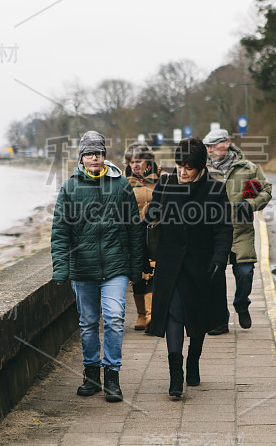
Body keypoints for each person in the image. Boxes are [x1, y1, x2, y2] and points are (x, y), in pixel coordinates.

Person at [51, 131, 143, 403]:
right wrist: (60, 268)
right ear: (81, 157)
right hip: (83, 269)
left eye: (99, 153)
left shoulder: (121, 186)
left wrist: (136, 268)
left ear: (105, 156)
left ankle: (112, 375)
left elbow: (134, 230)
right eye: (90, 153)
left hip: (115, 266)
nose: (95, 158)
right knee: (88, 323)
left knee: (114, 318)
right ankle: (91, 373)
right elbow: (60, 231)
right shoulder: (70, 188)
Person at [143, 137, 233, 397]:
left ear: (200, 167)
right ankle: (175, 373)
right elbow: (151, 217)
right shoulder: (166, 183)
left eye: (188, 167)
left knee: (198, 321)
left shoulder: (215, 190)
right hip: (170, 264)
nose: (182, 171)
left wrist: (219, 259)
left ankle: (193, 360)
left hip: (201, 265)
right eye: (179, 165)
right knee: (173, 316)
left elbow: (223, 229)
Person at [203, 128, 272, 334]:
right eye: (206, 147)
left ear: (225, 144)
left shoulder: (248, 168)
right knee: (215, 278)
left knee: (245, 273)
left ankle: (242, 304)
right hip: (214, 232)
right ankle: (221, 320)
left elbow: (266, 190)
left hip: (241, 231)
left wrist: (250, 204)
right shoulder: (203, 170)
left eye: (212, 146)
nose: (209, 150)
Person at [123, 142, 163, 331]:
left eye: (138, 161)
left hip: (156, 233)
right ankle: (140, 314)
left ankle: (150, 315)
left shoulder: (162, 179)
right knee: (137, 274)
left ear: (148, 161)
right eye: (131, 162)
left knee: (153, 273)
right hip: (134, 233)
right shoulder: (123, 182)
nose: (135, 165)